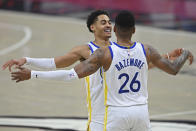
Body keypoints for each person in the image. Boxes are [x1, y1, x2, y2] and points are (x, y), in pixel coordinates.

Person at [2, 10, 188, 131]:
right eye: (102, 22)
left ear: (115, 28)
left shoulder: (116, 49)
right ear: (92, 27)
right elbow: (55, 63)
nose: (107, 25)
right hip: (101, 115)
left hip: (115, 112)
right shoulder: (86, 50)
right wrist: (27, 60)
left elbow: (140, 67)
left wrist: (164, 56)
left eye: (109, 22)